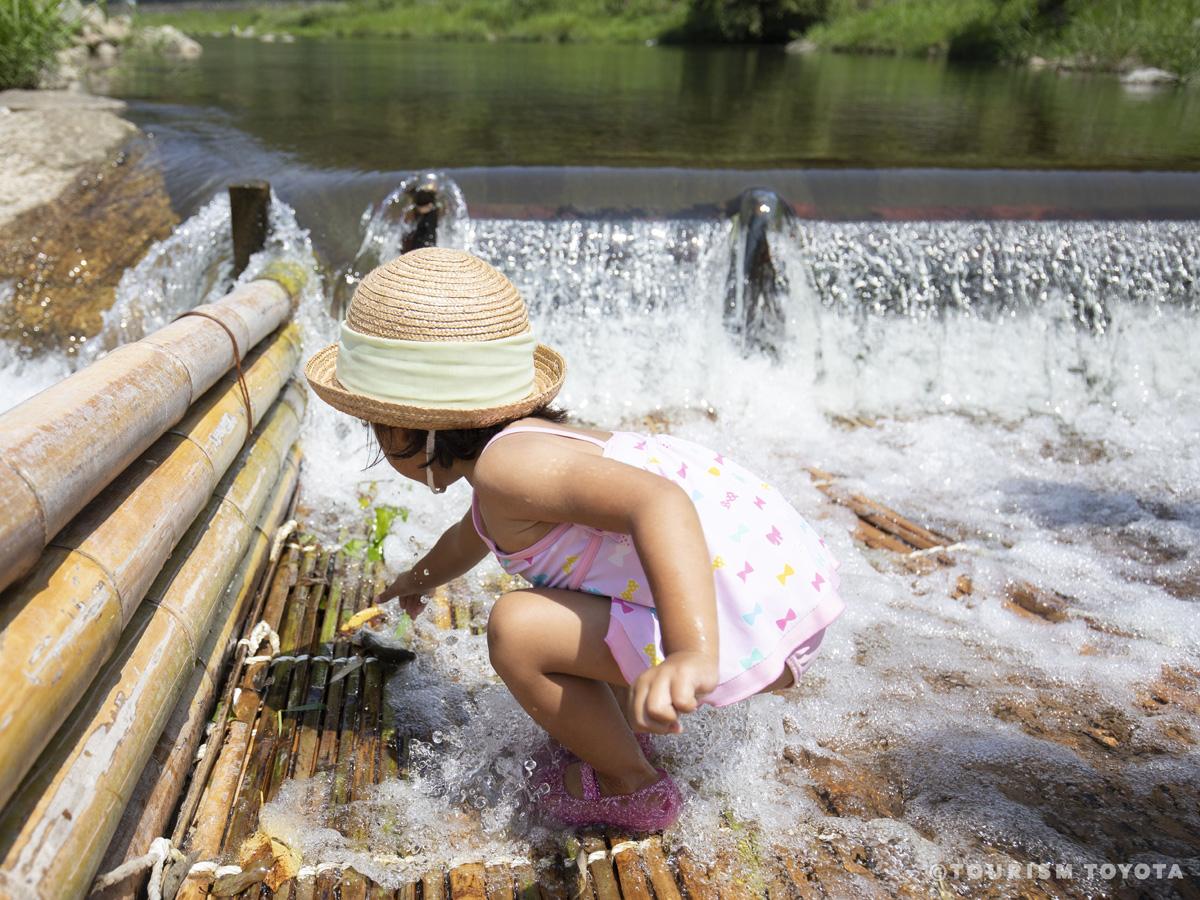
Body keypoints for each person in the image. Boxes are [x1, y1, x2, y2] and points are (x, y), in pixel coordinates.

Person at [305, 247, 844, 832]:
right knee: (561, 605)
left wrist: (691, 651)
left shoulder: (507, 470)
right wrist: (418, 579)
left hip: (734, 616)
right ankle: (625, 733)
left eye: (377, 428)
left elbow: (660, 503)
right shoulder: (525, 454)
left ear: (414, 428)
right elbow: (471, 537)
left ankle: (631, 786)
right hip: (780, 589)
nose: (379, 443)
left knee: (518, 629)